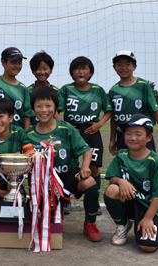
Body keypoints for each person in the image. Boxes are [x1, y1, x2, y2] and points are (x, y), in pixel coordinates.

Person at [26, 86, 102, 242]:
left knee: (90, 183)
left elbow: (86, 151)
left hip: (67, 175)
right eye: (39, 106)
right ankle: (49, 213)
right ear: (33, 108)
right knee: (53, 226)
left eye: (48, 105)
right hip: (44, 182)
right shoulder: (29, 135)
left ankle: (90, 224)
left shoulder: (66, 128)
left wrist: (85, 167)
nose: (44, 110)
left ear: (55, 107)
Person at [104, 114, 158, 252]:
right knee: (112, 189)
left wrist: (148, 218)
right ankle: (123, 225)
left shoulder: (155, 161)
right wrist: (120, 181)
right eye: (128, 133)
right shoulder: (121, 155)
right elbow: (112, 177)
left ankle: (153, 224)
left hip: (150, 207)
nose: (132, 138)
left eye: (138, 134)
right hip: (131, 200)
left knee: (147, 247)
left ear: (149, 137)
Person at [58, 56, 113, 215]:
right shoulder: (66, 89)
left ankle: (93, 202)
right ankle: (65, 199)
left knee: (94, 167)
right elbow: (56, 110)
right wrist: (66, 126)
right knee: (68, 166)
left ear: (90, 73)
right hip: (71, 132)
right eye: (77, 68)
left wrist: (100, 123)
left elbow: (109, 110)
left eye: (84, 68)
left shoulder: (98, 90)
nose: (80, 71)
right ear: (72, 73)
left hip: (91, 131)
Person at [108, 50, 158, 155]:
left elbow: (155, 110)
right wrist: (112, 140)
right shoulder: (113, 90)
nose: (123, 67)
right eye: (119, 65)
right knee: (125, 165)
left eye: (127, 64)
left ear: (135, 67)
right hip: (123, 134)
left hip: (141, 133)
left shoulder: (143, 85)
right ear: (114, 67)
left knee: (146, 164)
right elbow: (114, 118)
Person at [0, 98, 34, 216]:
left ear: (10, 117)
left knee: (19, 216)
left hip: (16, 182)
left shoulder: (19, 133)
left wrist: (15, 180)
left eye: (1, 116)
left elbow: (30, 156)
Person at [0, 47, 34, 132]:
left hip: (16, 136)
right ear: (3, 63)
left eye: (20, 63)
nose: (17, 66)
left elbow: (27, 114)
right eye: (13, 62)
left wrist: (25, 135)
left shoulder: (22, 88)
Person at [27, 50, 61, 126]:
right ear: (33, 71)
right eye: (38, 69)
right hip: (32, 131)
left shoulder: (56, 91)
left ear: (51, 70)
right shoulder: (27, 91)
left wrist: (65, 126)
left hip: (51, 132)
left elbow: (56, 113)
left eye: (45, 69)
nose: (42, 72)